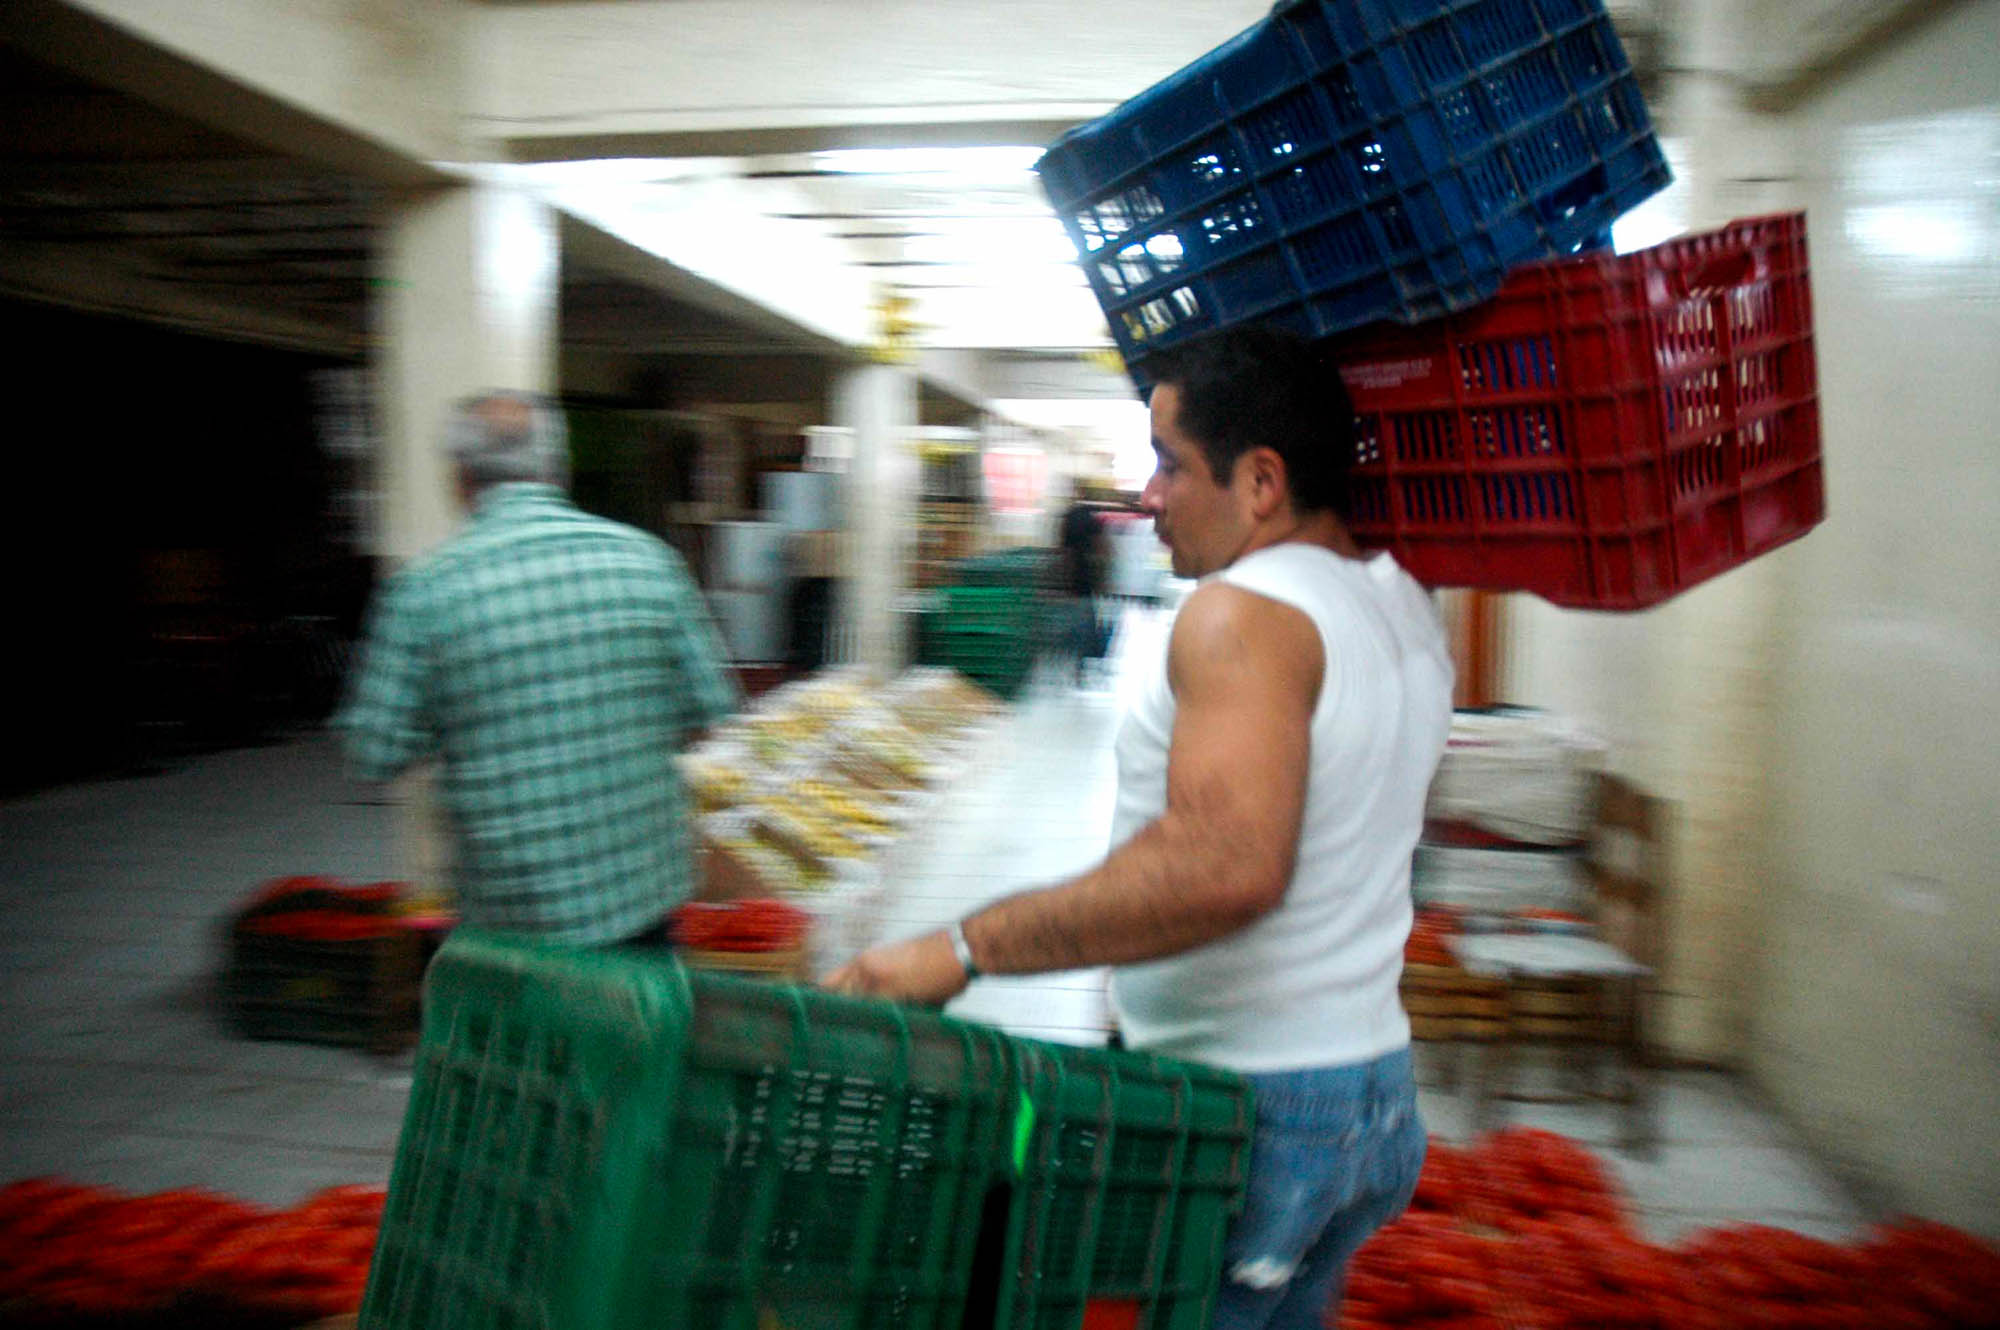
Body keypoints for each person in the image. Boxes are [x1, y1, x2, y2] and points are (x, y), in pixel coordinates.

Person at [827, 327, 1454, 1330]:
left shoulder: (1242, 613)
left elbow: (1222, 864)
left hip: (1251, 1114)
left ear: (1259, 480)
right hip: (1365, 1090)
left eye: (1168, 464)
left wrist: (961, 947)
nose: (1146, 494)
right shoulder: (1397, 606)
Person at [338, 391, 738, 946]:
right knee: (637, 1031)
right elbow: (711, 708)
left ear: (460, 479)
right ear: (559, 470)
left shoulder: (423, 591)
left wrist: (459, 710)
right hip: (646, 889)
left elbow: (373, 752)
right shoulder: (650, 561)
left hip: (513, 911)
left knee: (531, 1034)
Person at [1057, 482, 1110, 681]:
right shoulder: (1092, 519)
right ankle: (1082, 666)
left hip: (1072, 582)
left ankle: (1073, 664)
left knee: (1074, 623)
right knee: (1087, 623)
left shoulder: (1068, 518)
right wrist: (1103, 579)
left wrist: (1062, 580)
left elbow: (1063, 552)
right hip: (1089, 580)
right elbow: (1104, 549)